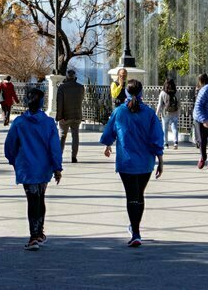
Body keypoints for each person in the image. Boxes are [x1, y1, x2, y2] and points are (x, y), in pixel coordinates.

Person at [100, 79, 164, 247]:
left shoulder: (119, 112)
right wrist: (161, 160)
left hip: (126, 162)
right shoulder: (149, 113)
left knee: (131, 195)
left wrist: (108, 145)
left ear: (126, 93)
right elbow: (157, 138)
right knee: (139, 194)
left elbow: (110, 132)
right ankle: (136, 230)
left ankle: (135, 231)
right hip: (145, 162)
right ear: (142, 93)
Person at [3, 87, 62, 251]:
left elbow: (9, 146)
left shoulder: (19, 122)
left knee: (32, 200)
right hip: (43, 168)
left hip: (27, 167)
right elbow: (55, 147)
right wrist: (57, 168)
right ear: (42, 102)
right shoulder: (49, 123)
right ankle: (39, 232)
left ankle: (34, 235)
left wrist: (14, 161)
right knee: (40, 198)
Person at [56, 69, 85, 163]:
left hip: (65, 116)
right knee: (75, 136)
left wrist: (59, 117)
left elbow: (59, 103)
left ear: (67, 77)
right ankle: (74, 157)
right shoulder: (80, 87)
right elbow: (81, 100)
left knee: (62, 136)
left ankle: (59, 156)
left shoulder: (62, 87)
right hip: (77, 115)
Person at [156, 78, 181, 150]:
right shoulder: (176, 92)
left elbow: (160, 104)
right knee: (174, 128)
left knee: (165, 128)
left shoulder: (163, 93)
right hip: (175, 112)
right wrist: (179, 112)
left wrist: (156, 114)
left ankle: (166, 144)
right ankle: (175, 142)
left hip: (165, 113)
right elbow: (179, 103)